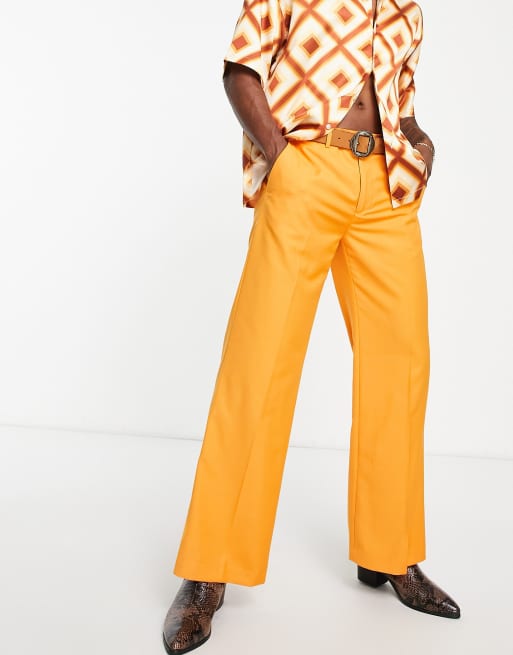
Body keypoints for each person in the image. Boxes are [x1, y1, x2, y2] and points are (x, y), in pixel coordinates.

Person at [163, 1, 461, 652]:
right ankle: (208, 570)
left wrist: (420, 143)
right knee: (258, 366)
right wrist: (281, 156)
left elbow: (401, 99)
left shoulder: (408, 8)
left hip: (387, 189)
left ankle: (389, 552)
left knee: (401, 365)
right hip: (307, 172)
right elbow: (240, 69)